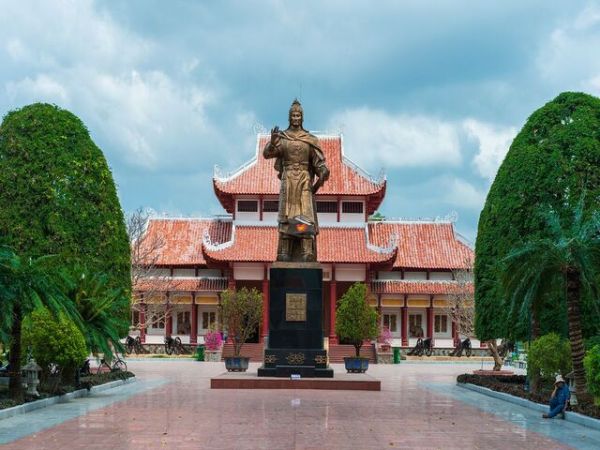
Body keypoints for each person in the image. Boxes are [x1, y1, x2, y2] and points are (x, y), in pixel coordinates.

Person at [263, 99, 330, 262]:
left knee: (305, 215)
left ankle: (307, 251)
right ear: (289, 117)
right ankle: (284, 251)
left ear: (302, 117)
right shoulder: (283, 138)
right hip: (288, 180)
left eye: (298, 115)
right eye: (293, 115)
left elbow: (319, 162)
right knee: (287, 215)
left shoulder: (310, 139)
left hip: (304, 180)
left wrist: (322, 171)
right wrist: (272, 143)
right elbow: (267, 154)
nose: (295, 118)